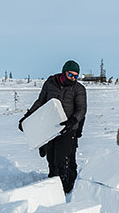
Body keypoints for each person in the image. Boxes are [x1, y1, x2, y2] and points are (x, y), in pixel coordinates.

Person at [18, 60, 87, 194]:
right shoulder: (50, 83)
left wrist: (72, 121)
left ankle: (66, 188)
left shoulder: (78, 89)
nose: (73, 78)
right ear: (64, 72)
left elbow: (81, 109)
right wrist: (27, 117)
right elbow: (41, 101)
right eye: (70, 75)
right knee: (51, 159)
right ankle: (53, 184)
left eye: (76, 76)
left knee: (63, 160)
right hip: (50, 128)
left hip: (68, 129)